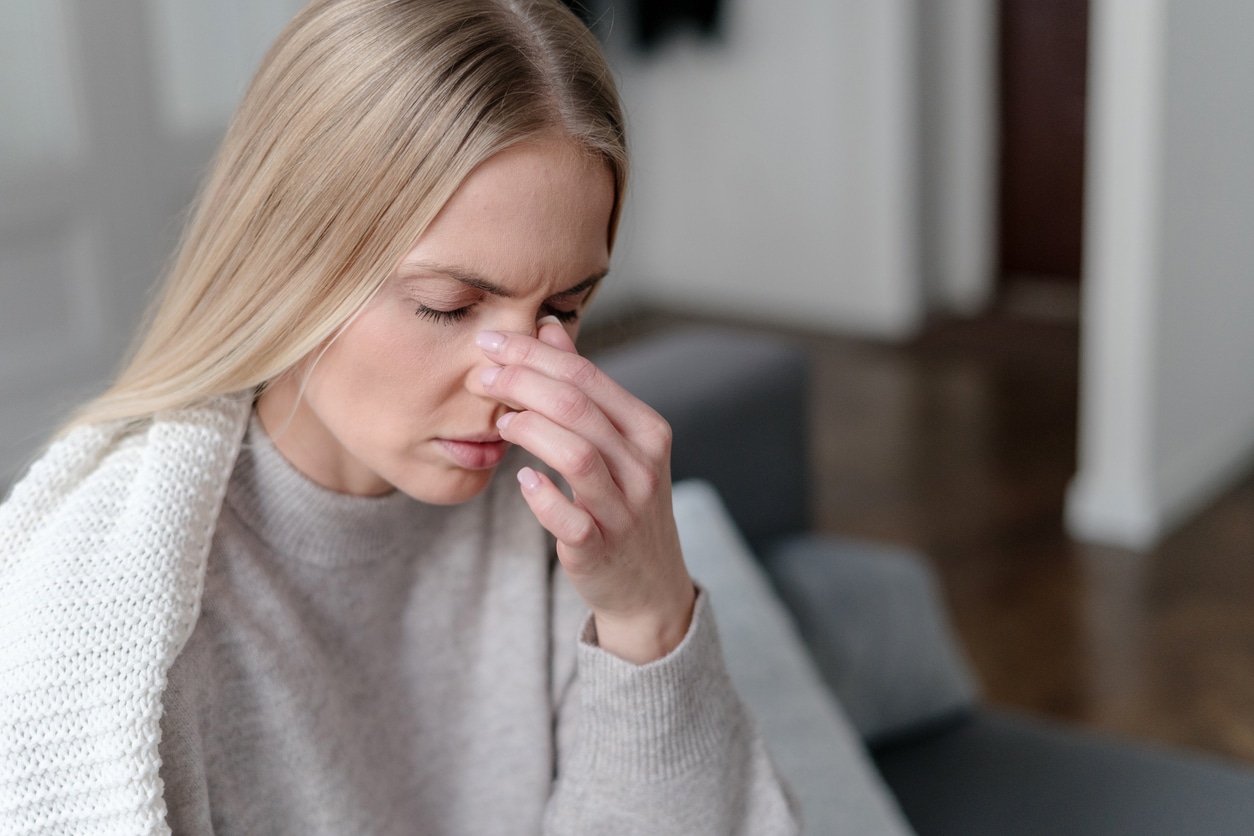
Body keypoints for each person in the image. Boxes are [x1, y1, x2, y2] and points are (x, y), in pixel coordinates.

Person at [0, 1, 804, 833]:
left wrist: (648, 617)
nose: (516, 380)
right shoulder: (105, 628)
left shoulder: (561, 514)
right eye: (448, 305)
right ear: (284, 253)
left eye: (564, 307)